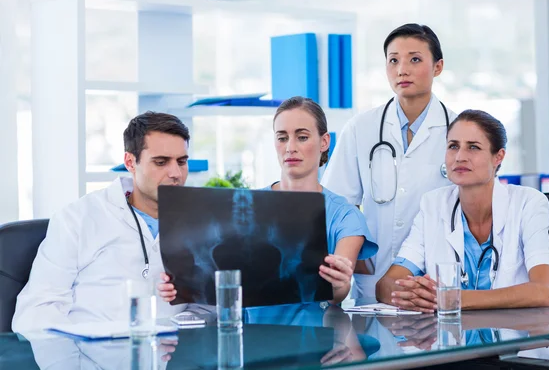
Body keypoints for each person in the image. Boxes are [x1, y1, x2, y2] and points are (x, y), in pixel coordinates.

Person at [159, 97, 378, 305]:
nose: (290, 147)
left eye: (302, 137)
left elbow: (337, 294)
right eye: (282, 138)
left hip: (316, 336)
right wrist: (179, 287)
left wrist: (339, 283)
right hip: (248, 335)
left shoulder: (345, 216)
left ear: (324, 142)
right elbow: (213, 282)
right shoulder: (246, 204)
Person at [12, 111, 190, 333]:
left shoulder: (200, 222)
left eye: (182, 162)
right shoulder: (77, 219)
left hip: (173, 356)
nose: (175, 173)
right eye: (161, 162)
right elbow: (36, 312)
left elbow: (212, 307)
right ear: (130, 162)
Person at [321, 23, 457, 299]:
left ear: (438, 67)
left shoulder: (459, 129)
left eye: (414, 59)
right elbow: (336, 205)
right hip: (372, 284)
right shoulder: (361, 128)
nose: (401, 69)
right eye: (393, 60)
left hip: (437, 283)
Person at [376, 109, 549, 311]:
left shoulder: (528, 203)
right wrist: (416, 295)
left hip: (527, 336)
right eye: (453, 146)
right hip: (456, 337)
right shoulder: (433, 204)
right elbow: (386, 285)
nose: (460, 157)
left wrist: (453, 299)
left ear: (498, 157)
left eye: (473, 147)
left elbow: (542, 290)